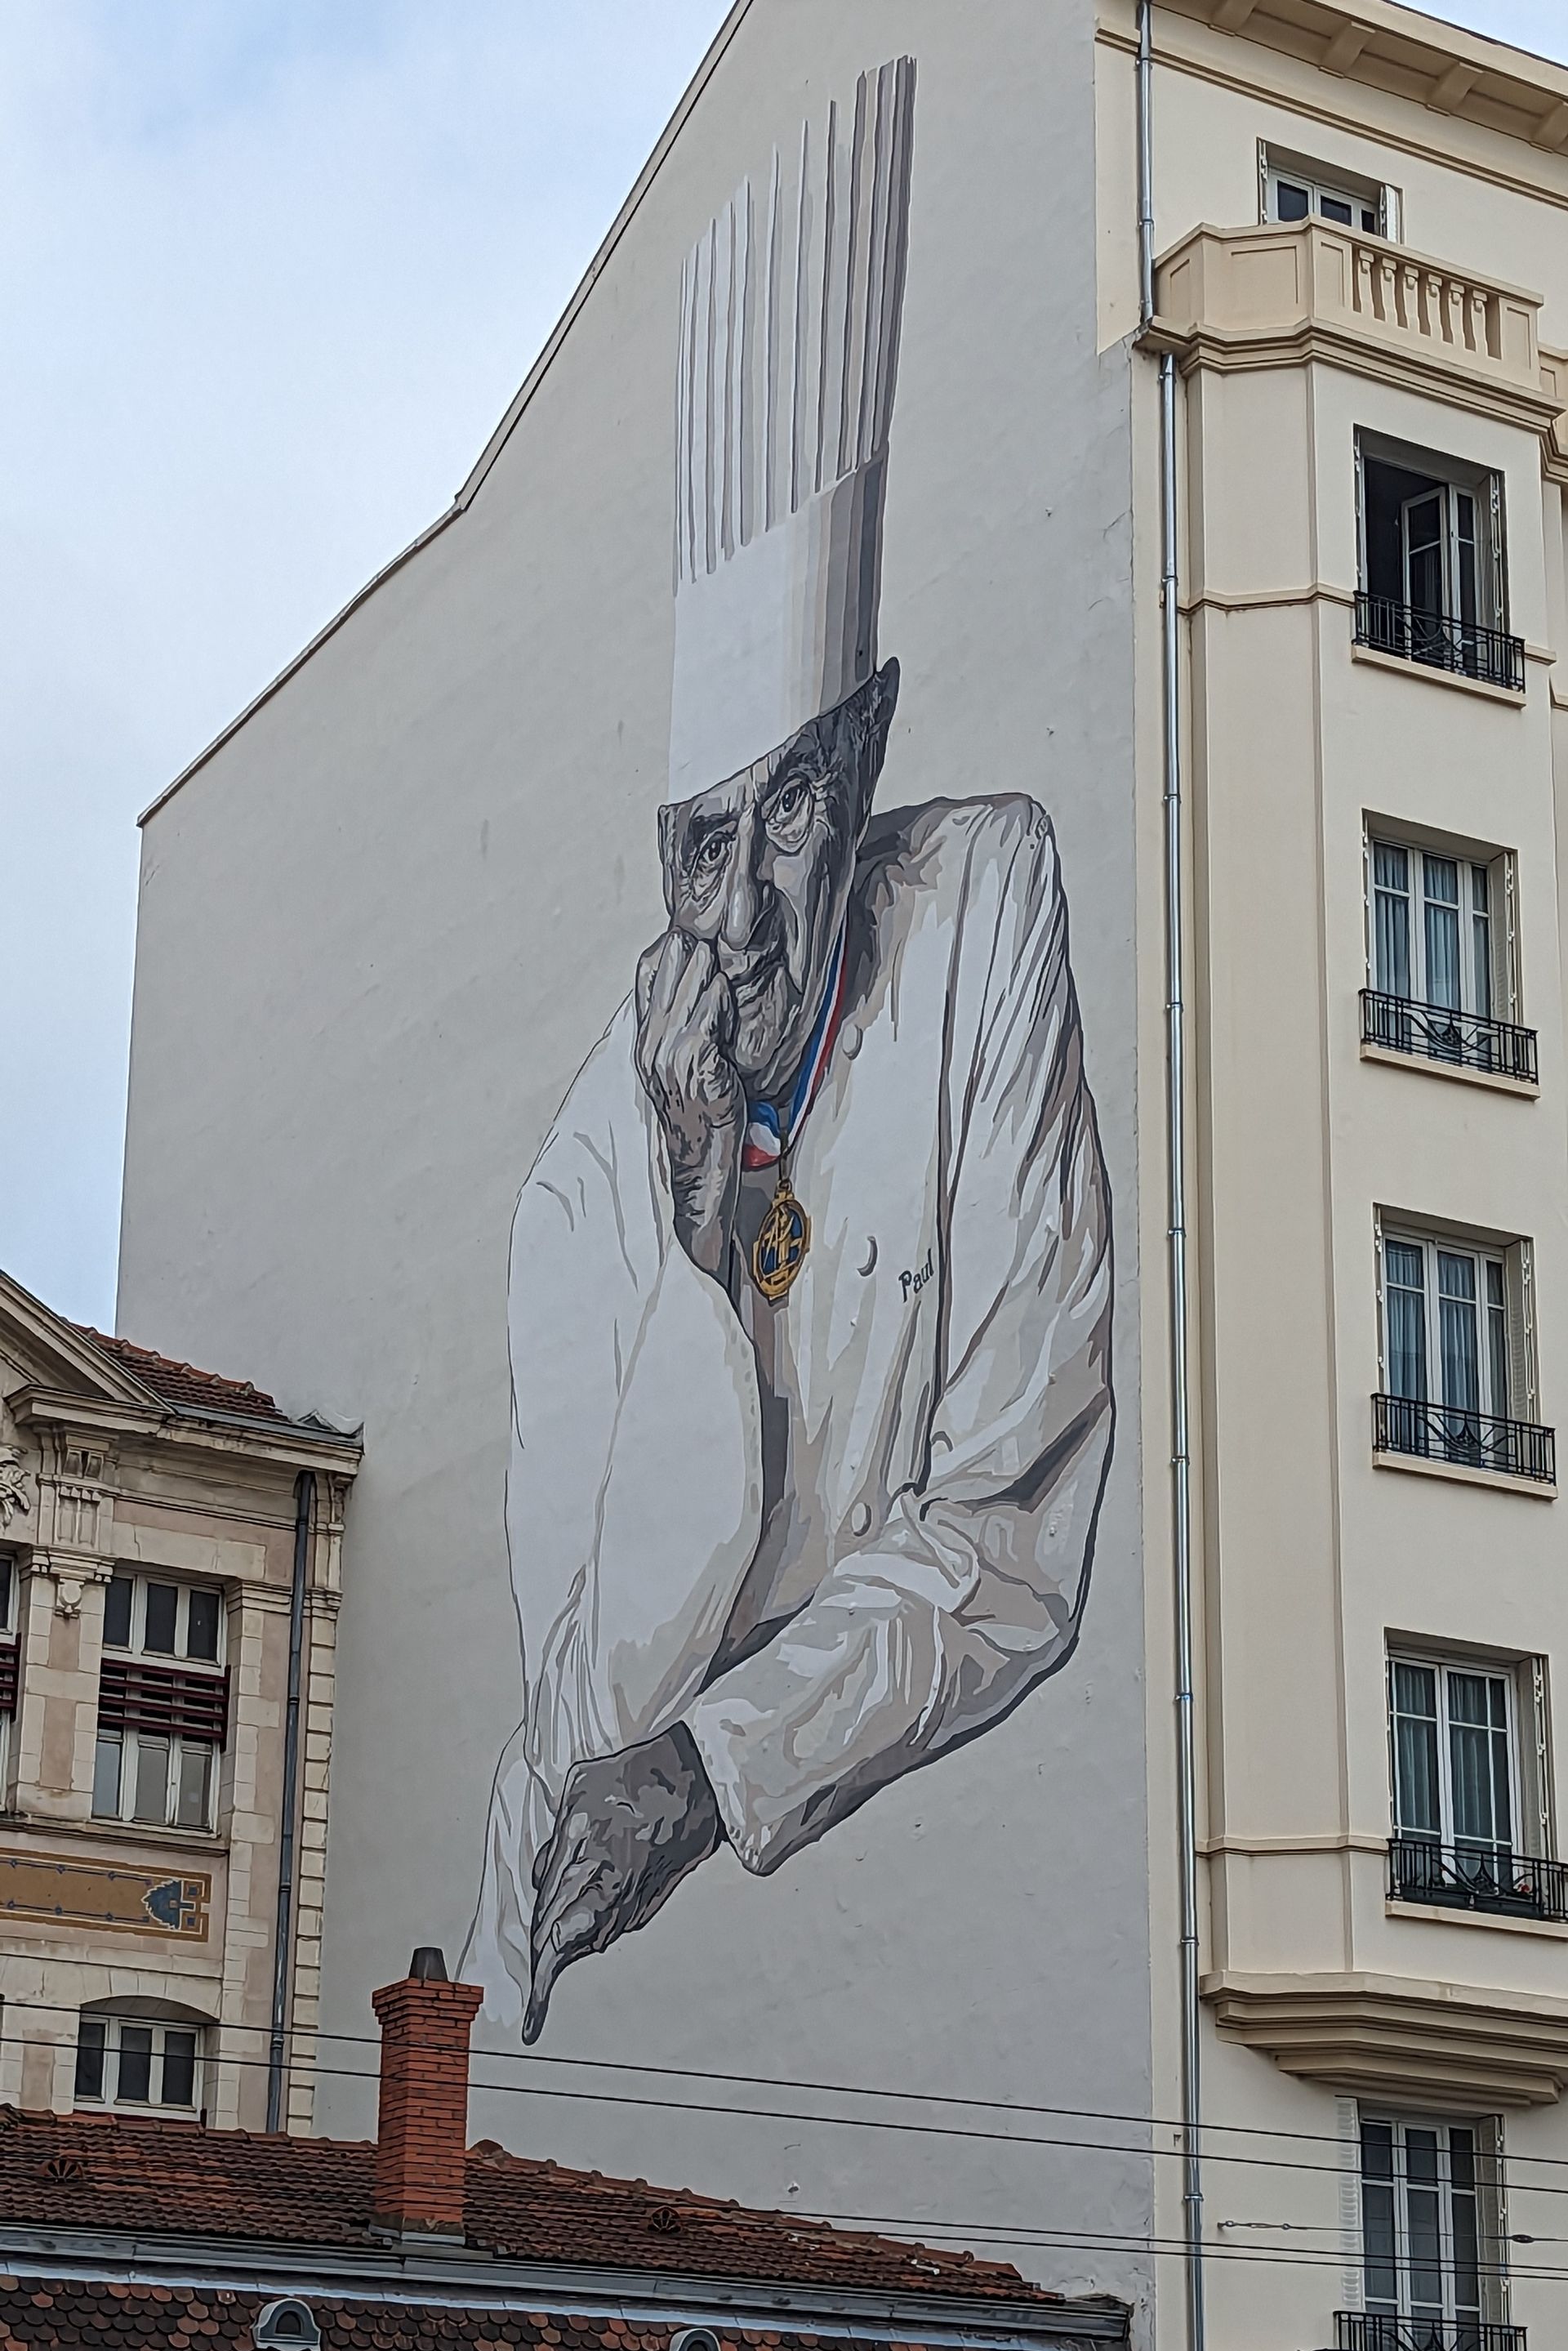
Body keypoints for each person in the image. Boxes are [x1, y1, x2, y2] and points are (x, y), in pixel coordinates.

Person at [462, 57, 1114, 2039]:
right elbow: (606, 1701)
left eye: (791, 817)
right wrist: (690, 1221)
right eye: (693, 844)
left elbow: (1010, 1538)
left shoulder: (983, 901)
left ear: (872, 753)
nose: (737, 909)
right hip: (552, 1948)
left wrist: (728, 1771)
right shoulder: (587, 1169)